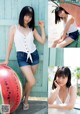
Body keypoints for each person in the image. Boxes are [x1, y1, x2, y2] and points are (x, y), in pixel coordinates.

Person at [2, 6, 46, 110]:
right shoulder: (14, 28)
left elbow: (42, 41)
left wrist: (42, 28)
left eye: (30, 17)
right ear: (22, 15)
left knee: (29, 82)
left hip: (34, 56)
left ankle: (25, 100)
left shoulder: (32, 29)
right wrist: (6, 59)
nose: (27, 18)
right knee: (32, 81)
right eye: (26, 15)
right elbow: (10, 45)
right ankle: (21, 96)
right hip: (22, 57)